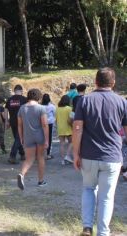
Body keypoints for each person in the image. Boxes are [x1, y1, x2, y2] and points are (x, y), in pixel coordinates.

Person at [73, 67, 127, 236]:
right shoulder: (122, 102)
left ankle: (87, 227)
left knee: (88, 189)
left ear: (95, 81)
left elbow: (77, 128)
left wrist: (76, 153)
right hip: (112, 156)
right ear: (113, 82)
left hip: (88, 155)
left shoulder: (85, 101)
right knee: (106, 197)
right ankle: (103, 233)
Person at [16, 89, 49, 190]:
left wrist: (21, 137)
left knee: (29, 159)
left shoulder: (22, 108)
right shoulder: (41, 108)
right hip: (39, 136)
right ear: (38, 97)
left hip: (28, 136)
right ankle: (41, 180)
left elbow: (19, 125)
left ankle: (22, 174)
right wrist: (47, 139)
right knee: (40, 158)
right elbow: (44, 124)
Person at [5, 85, 27, 164]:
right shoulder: (24, 99)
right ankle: (12, 155)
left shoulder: (10, 100)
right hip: (21, 122)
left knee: (17, 138)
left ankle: (22, 154)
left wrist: (7, 121)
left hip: (12, 122)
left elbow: (6, 110)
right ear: (21, 91)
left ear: (14, 91)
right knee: (19, 139)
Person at [56, 95, 73, 165]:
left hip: (60, 127)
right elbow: (70, 119)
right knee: (72, 142)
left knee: (62, 144)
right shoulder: (69, 109)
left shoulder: (57, 109)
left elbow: (56, 119)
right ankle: (68, 156)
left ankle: (63, 160)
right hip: (68, 127)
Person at [41, 94, 56, 160]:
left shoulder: (40, 106)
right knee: (49, 138)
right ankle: (48, 153)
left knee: (42, 138)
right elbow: (55, 114)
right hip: (50, 123)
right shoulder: (52, 106)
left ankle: (41, 153)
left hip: (42, 123)